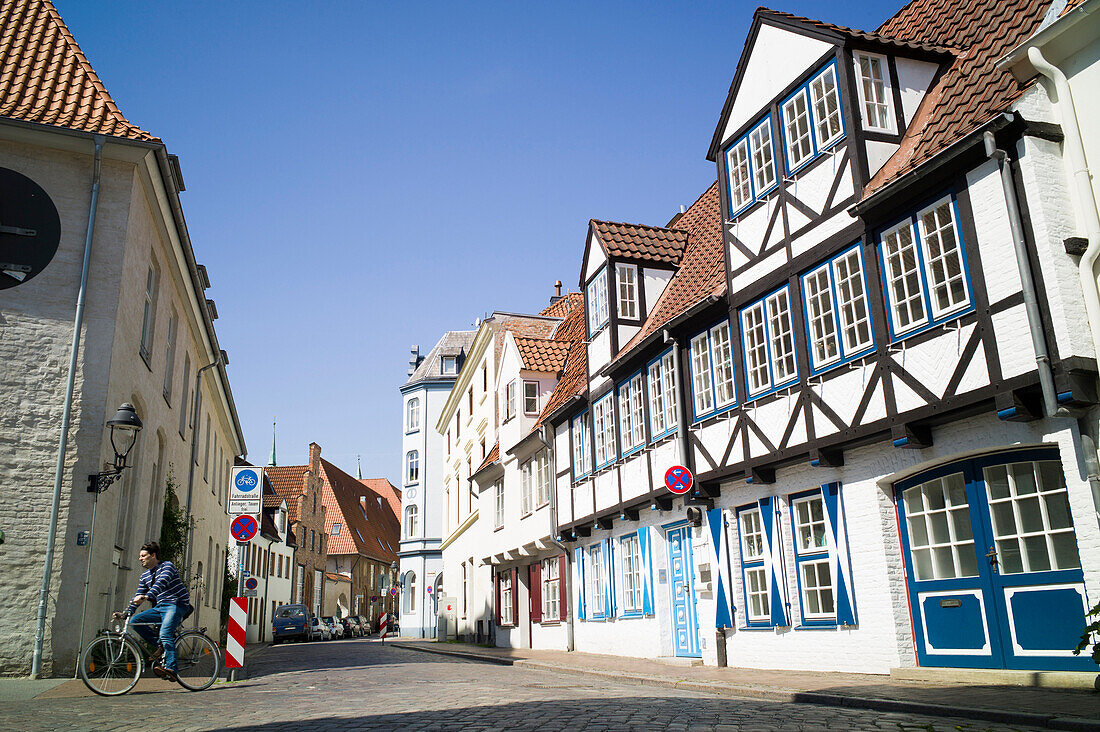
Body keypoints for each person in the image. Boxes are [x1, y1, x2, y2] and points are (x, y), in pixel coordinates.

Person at [114, 541, 192, 682]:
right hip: (161, 607)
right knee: (135, 621)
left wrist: (147, 596)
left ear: (153, 555)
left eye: (143, 555)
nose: (140, 558)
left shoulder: (167, 566)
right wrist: (125, 613)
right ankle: (160, 645)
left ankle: (172, 669)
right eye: (140, 556)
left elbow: (161, 582)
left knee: (165, 633)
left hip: (176, 604)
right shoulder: (144, 577)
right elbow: (137, 597)